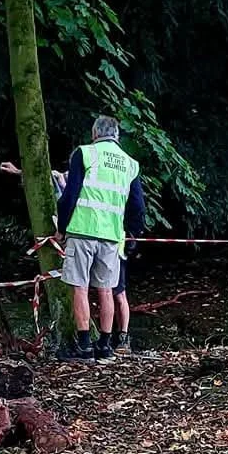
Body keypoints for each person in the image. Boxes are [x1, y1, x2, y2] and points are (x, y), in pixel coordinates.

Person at [51, 116, 144, 359]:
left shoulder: (85, 153)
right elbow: (138, 207)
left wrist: (62, 227)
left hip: (82, 230)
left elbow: (70, 195)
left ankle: (84, 345)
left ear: (95, 134)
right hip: (112, 235)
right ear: (116, 135)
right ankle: (105, 345)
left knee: (80, 287)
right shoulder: (130, 164)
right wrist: (132, 234)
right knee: (106, 289)